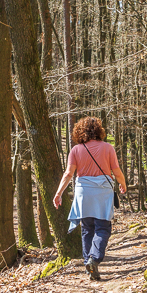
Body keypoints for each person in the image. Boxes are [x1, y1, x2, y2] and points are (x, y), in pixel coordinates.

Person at [53, 116, 127, 280]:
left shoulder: (76, 150)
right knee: (102, 228)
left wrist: (59, 193)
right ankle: (94, 259)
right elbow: (116, 171)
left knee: (87, 229)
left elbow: (68, 174)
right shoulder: (108, 148)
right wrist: (123, 184)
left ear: (80, 132)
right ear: (99, 131)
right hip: (103, 193)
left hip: (84, 193)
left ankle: (89, 265)